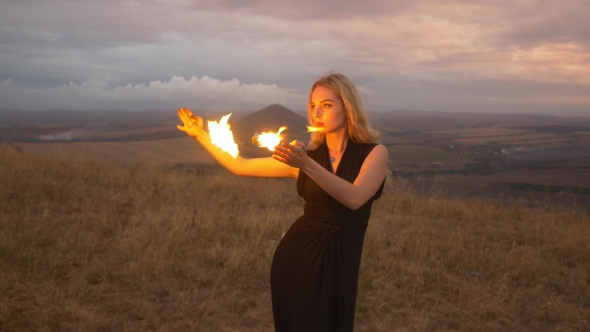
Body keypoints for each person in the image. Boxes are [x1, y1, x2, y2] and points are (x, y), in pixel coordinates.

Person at [177, 72, 388, 332]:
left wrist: (306, 164)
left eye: (327, 105)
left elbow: (354, 198)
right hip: (299, 257)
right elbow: (240, 165)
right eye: (312, 106)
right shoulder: (304, 158)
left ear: (349, 107)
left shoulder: (374, 153)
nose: (316, 112)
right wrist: (201, 135)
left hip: (342, 257)